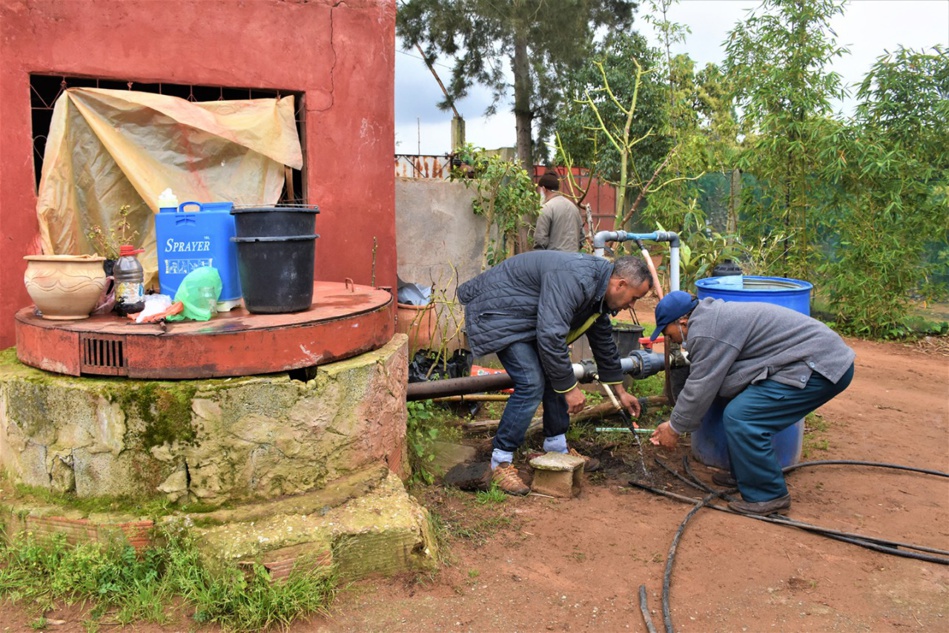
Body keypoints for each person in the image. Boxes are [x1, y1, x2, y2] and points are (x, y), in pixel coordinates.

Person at [458, 251, 652, 495]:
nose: (632, 305)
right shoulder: (576, 279)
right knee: (531, 382)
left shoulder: (599, 288)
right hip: (499, 313)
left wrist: (620, 391)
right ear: (620, 284)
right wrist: (570, 389)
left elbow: (602, 340)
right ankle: (501, 461)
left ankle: (556, 448)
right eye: (634, 298)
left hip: (525, 317)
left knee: (555, 371)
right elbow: (550, 335)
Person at [648, 291, 856, 515]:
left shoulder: (706, 332)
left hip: (820, 365)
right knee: (741, 407)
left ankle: (768, 496)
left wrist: (674, 427)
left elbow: (701, 385)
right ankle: (748, 475)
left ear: (682, 322)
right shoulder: (711, 317)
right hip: (808, 358)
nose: (671, 339)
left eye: (669, 333)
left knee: (743, 417)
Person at [533, 171, 584, 252]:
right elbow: (581, 238)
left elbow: (540, 240)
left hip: (554, 261)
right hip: (573, 260)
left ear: (544, 189)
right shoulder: (574, 208)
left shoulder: (546, 208)